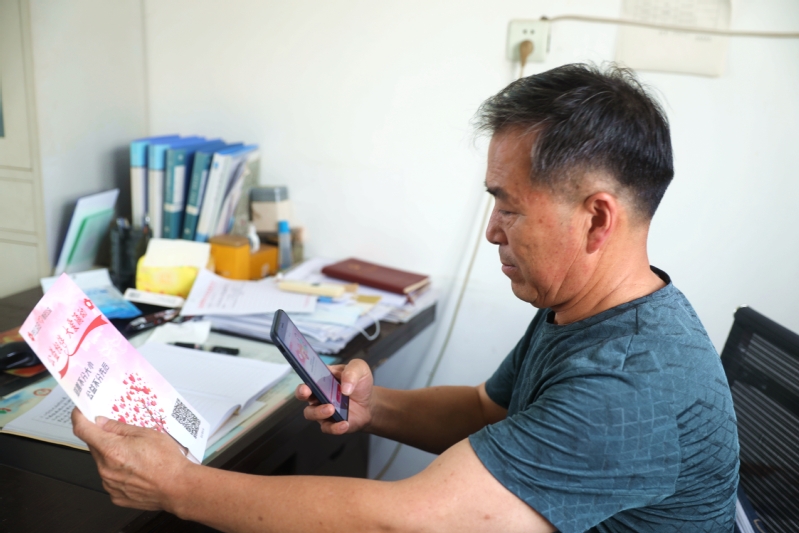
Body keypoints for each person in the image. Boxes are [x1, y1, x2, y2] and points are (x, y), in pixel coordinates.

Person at [72, 63, 739, 532]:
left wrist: (176, 486)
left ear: (596, 219)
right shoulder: (592, 310)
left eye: (509, 207)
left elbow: (407, 521)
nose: (492, 231)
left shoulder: (625, 385)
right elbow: (485, 410)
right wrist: (373, 407)